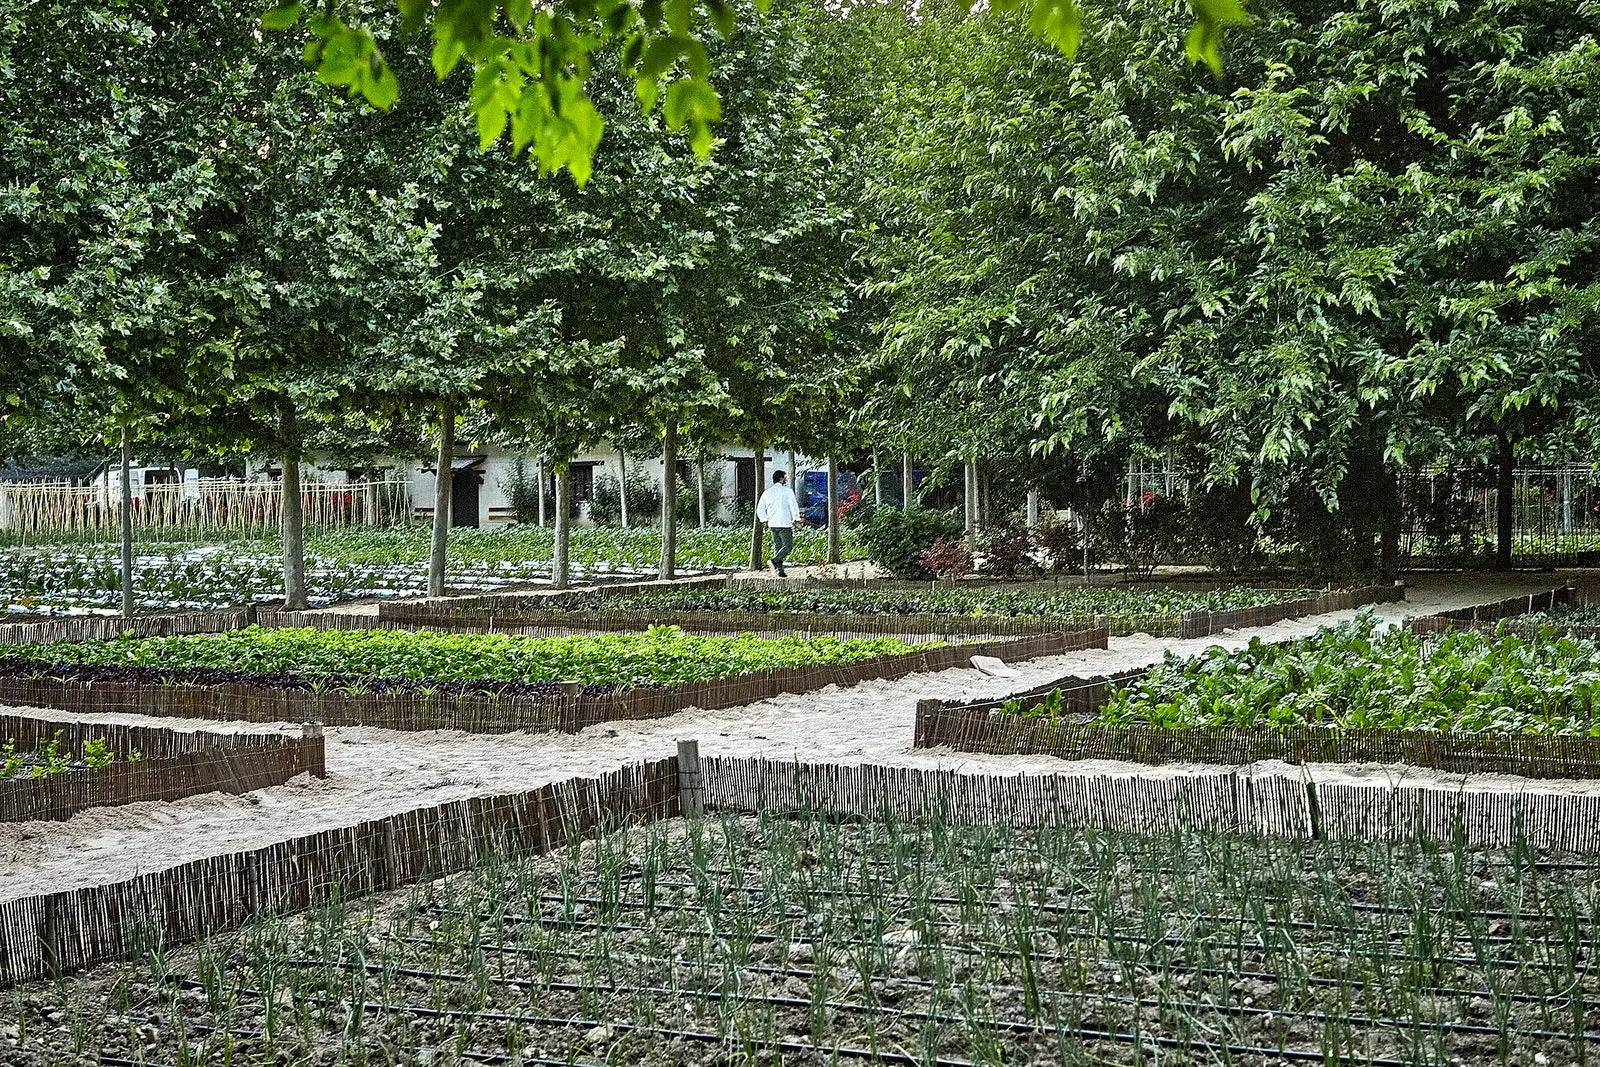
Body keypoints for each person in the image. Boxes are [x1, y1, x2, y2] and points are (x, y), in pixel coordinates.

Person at [754, 469, 801, 577]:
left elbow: (760, 508)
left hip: (772, 523)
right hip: (784, 523)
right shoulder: (788, 491)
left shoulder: (767, 492)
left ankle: (780, 570)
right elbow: (793, 506)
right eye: (785, 477)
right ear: (781, 479)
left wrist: (765, 519)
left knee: (778, 546)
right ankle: (774, 561)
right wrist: (796, 519)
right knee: (788, 546)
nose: (786, 479)